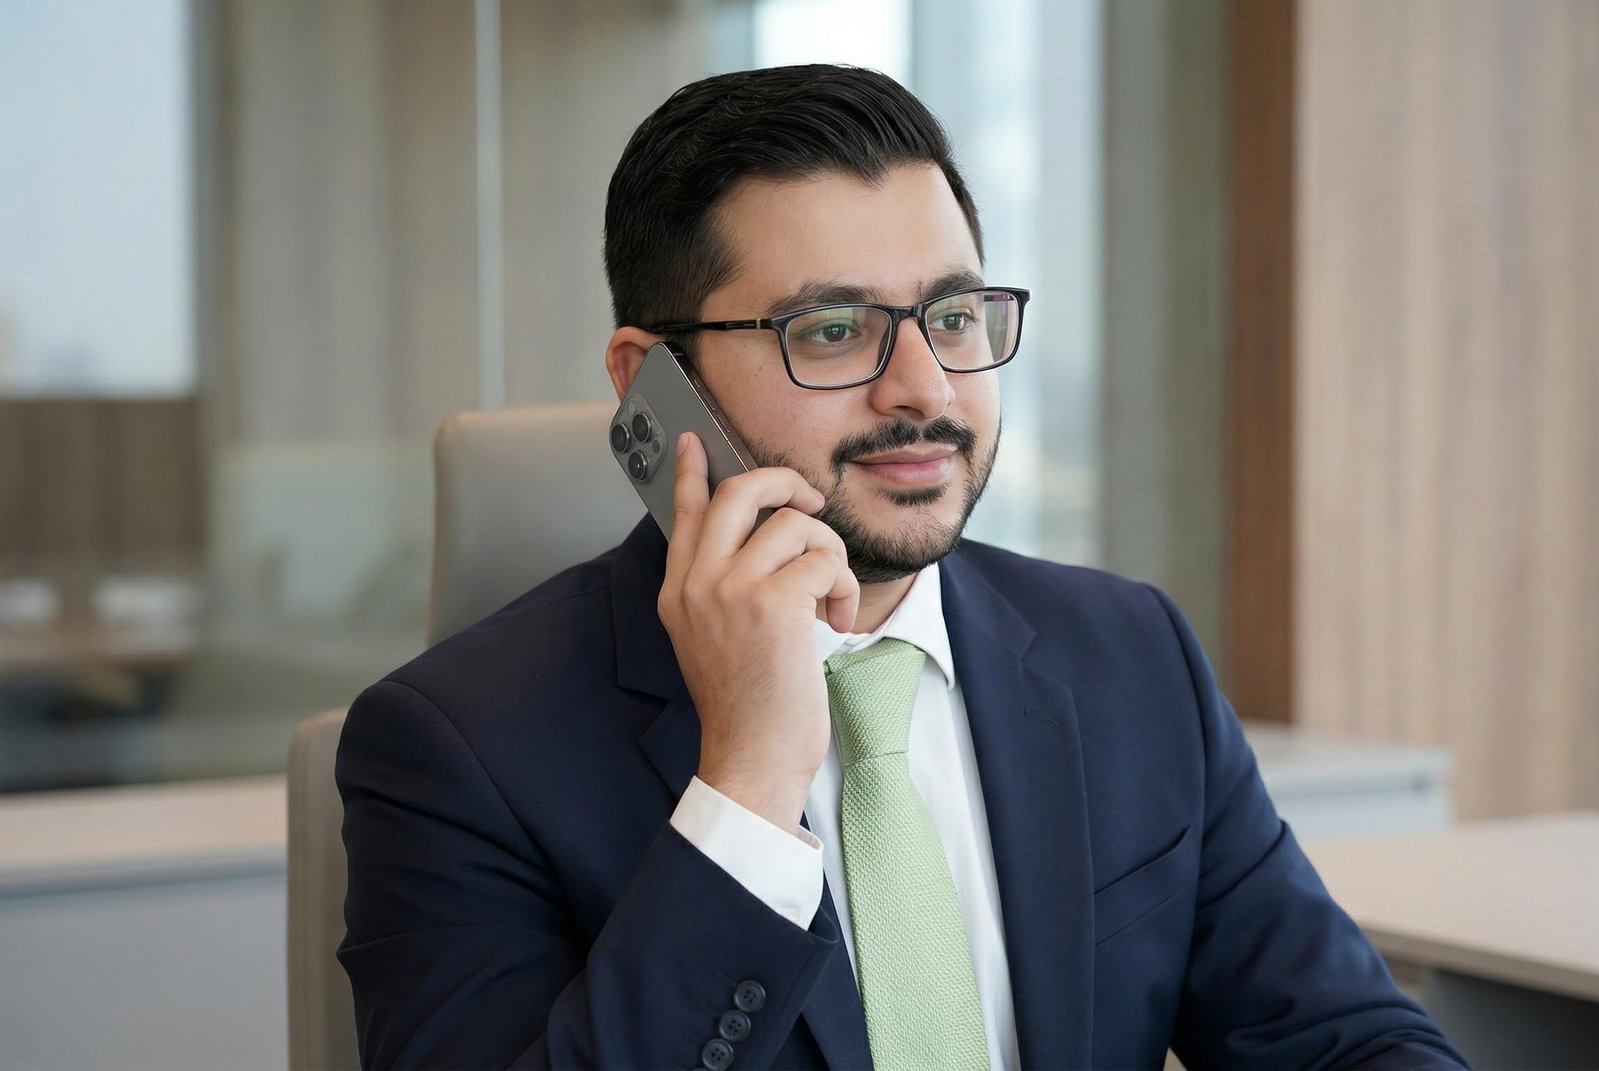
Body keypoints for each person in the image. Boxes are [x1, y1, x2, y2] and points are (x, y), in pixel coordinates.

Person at [335, 64, 1469, 1071]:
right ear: (650, 382)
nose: (925, 388)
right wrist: (748, 780)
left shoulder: (1127, 655)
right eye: (832, 330)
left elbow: (1346, 1038)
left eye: (955, 315)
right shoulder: (454, 749)